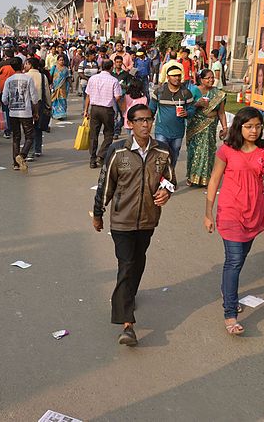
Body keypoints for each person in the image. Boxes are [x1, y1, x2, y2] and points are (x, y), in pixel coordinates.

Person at [93, 103, 174, 346]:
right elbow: (105, 183)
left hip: (149, 219)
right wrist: (98, 212)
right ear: (130, 123)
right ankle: (127, 324)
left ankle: (129, 293)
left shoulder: (162, 152)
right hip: (121, 220)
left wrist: (166, 192)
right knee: (126, 264)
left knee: (138, 262)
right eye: (140, 120)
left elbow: (170, 180)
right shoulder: (118, 152)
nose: (145, 124)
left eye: (149, 120)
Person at [204, 107, 264, 335]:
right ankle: (230, 313)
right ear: (239, 127)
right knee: (234, 261)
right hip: (230, 212)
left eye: (258, 126)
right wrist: (208, 212)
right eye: (249, 126)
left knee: (240, 258)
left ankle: (226, 289)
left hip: (255, 212)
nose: (254, 130)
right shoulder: (227, 150)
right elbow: (214, 180)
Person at [150, 63, 195, 181]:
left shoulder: (186, 93)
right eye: (174, 76)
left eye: (179, 76)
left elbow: (192, 109)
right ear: (168, 77)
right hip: (161, 131)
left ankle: (169, 176)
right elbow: (151, 110)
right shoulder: (159, 92)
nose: (177, 78)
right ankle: (159, 179)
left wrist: (187, 113)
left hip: (178, 132)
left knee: (174, 155)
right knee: (161, 155)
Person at [186, 69, 228, 187]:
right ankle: (191, 176)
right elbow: (187, 108)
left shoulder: (218, 93)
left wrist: (225, 128)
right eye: (208, 78)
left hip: (211, 126)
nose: (211, 80)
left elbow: (221, 112)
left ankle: (206, 178)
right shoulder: (194, 90)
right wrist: (196, 104)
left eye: (212, 77)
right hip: (195, 126)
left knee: (208, 151)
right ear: (201, 79)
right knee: (194, 151)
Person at [84, 60, 123, 169]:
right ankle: (101, 155)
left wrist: (86, 110)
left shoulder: (93, 78)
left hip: (95, 109)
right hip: (107, 109)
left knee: (93, 134)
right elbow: (118, 97)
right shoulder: (114, 80)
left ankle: (92, 159)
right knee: (109, 134)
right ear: (111, 68)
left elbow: (88, 95)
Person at [2, 58, 39, 172]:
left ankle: (15, 163)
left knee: (16, 137)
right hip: (26, 112)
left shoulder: (9, 80)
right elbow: (34, 98)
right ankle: (22, 156)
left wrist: (9, 104)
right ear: (22, 65)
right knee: (30, 136)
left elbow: (4, 99)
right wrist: (35, 111)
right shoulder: (28, 79)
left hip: (13, 112)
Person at [25, 57, 51, 159]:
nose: (25, 65)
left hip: (27, 105)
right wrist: (49, 105)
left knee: (29, 129)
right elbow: (47, 92)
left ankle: (30, 151)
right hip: (40, 104)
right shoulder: (42, 76)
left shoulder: (25, 76)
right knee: (38, 127)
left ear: (30, 65)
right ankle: (38, 149)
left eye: (26, 64)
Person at [0, 52, 17, 139]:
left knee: (5, 110)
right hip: (14, 90)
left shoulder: (2, 64)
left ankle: (7, 130)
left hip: (3, 89)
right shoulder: (15, 64)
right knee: (13, 110)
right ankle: (13, 128)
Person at [50, 52, 71, 120]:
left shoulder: (66, 69)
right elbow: (50, 76)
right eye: (60, 60)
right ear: (57, 61)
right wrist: (50, 84)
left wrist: (70, 86)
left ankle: (62, 114)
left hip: (63, 87)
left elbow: (68, 78)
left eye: (63, 60)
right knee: (55, 100)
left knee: (62, 100)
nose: (61, 61)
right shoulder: (54, 67)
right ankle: (55, 114)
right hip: (55, 86)